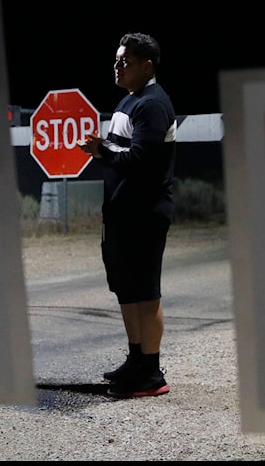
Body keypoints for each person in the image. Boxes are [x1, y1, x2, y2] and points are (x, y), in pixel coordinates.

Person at [79, 32, 177, 398]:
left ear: (147, 66)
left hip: (145, 212)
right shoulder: (129, 101)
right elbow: (123, 150)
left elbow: (143, 162)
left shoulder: (152, 104)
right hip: (122, 211)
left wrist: (103, 152)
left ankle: (151, 374)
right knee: (126, 289)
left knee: (146, 292)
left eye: (126, 61)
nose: (118, 66)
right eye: (117, 59)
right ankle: (136, 361)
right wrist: (104, 148)